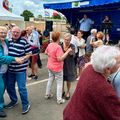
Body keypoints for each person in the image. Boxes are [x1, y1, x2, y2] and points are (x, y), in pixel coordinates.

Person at [63, 45, 120, 120]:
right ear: (108, 69)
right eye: (119, 62)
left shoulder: (89, 69)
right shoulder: (105, 90)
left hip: (71, 113)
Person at [5, 26, 31, 114]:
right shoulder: (8, 41)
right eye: (14, 32)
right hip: (10, 70)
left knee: (21, 88)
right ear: (11, 32)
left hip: (20, 70)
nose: (15, 34)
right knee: (9, 87)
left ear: (20, 33)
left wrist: (22, 59)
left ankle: (25, 104)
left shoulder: (24, 41)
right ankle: (14, 100)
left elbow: (29, 54)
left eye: (17, 32)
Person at [0, 26, 23, 117]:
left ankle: (8, 102)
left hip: (6, 71)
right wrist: (14, 58)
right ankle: (0, 108)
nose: (3, 34)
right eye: (1, 32)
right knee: (0, 90)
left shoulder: (5, 42)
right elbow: (1, 58)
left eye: (4, 33)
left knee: (4, 89)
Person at [45, 32, 72, 104]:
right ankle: (59, 99)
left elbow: (46, 52)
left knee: (50, 80)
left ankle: (47, 94)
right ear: (58, 38)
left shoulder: (50, 44)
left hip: (50, 66)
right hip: (57, 68)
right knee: (59, 83)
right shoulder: (58, 47)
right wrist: (68, 51)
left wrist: (51, 56)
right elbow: (60, 59)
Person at [61, 33, 75, 100]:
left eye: (68, 40)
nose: (67, 41)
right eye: (65, 40)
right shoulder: (60, 45)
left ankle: (68, 92)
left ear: (70, 40)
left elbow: (72, 54)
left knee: (68, 80)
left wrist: (68, 51)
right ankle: (62, 91)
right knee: (62, 79)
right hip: (61, 65)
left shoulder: (72, 46)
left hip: (69, 65)